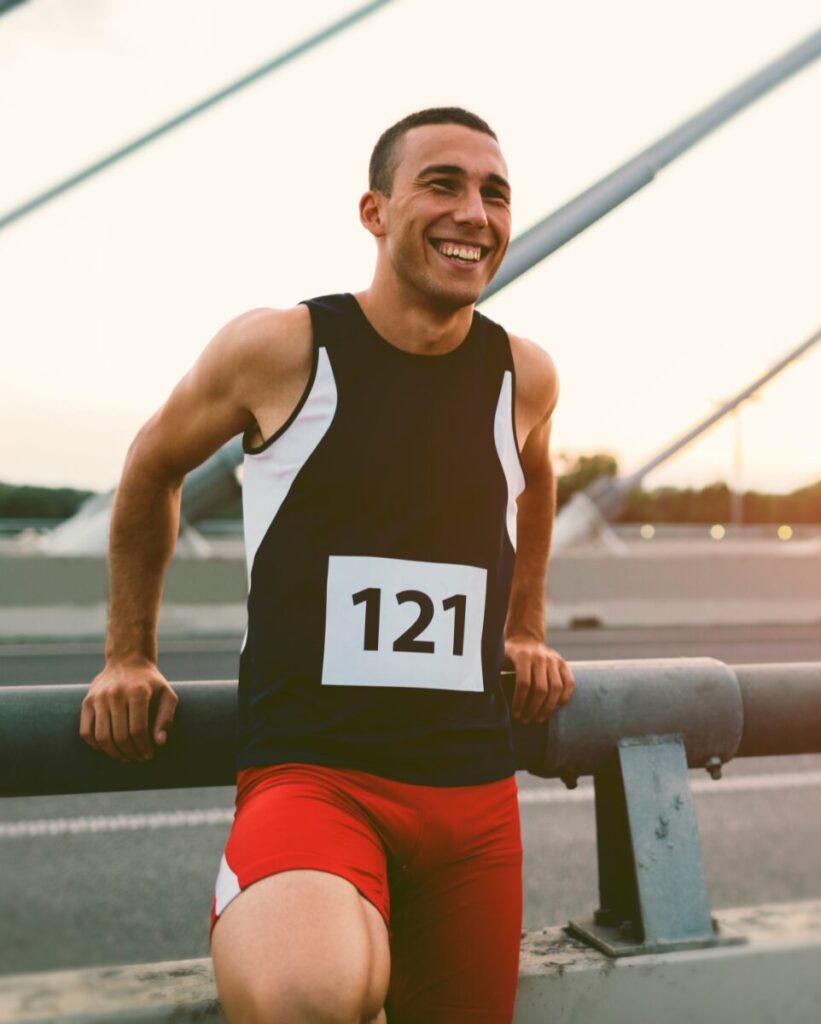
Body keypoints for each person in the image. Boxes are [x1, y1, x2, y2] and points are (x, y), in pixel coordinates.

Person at [79, 106, 574, 1024]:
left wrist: (525, 630)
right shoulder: (281, 349)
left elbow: (536, 483)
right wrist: (128, 653)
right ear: (374, 212)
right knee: (307, 996)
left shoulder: (525, 375)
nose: (476, 211)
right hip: (316, 779)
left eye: (495, 193)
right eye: (443, 184)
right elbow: (153, 464)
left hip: (473, 799)